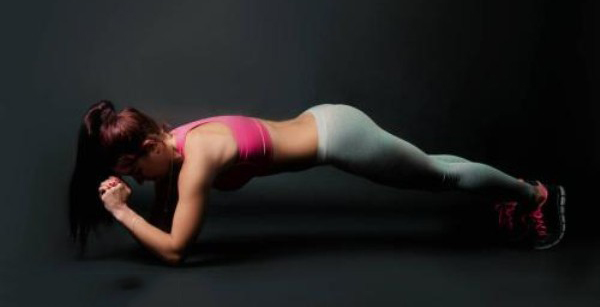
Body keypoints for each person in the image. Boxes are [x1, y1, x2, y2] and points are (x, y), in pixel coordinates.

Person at [68, 100, 566, 265]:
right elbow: (166, 211)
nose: (137, 180)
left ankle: (535, 195)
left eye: (135, 169)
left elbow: (176, 248)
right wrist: (144, 210)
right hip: (325, 120)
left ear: (150, 146)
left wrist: (122, 212)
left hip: (339, 138)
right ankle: (510, 189)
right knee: (434, 166)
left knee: (440, 175)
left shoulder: (199, 156)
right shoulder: (174, 143)